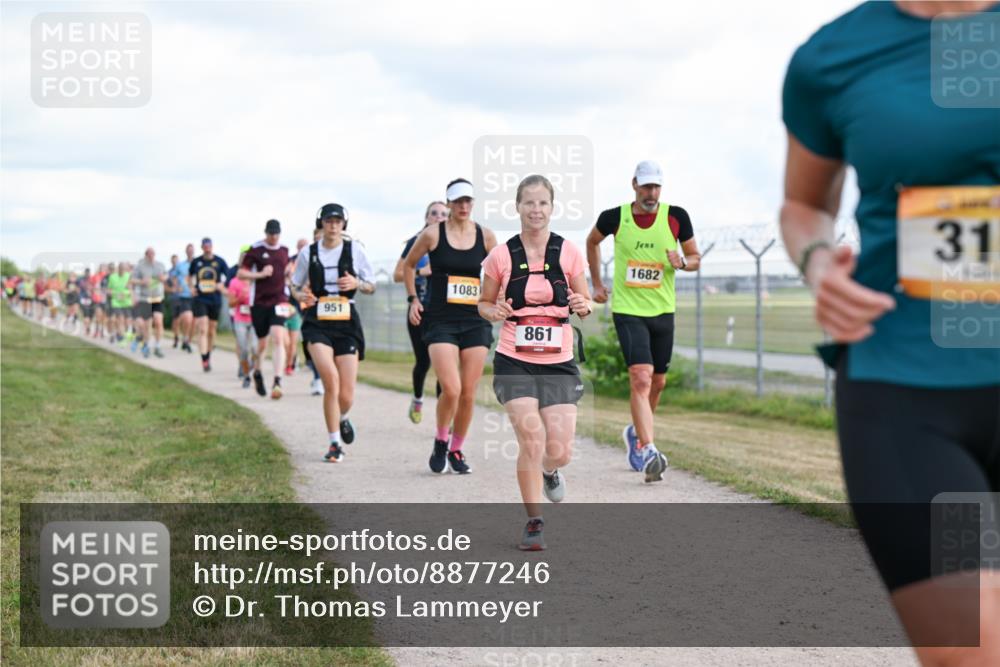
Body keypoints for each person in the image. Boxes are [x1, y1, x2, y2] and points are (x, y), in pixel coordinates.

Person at [781, 2, 999, 664]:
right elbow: (804, 205)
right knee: (975, 646)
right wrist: (819, 263)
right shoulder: (832, 58)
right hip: (905, 388)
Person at [479, 175, 592, 551]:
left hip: (559, 362)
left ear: (552, 207)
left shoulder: (569, 252)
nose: (536, 209)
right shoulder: (500, 256)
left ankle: (550, 469)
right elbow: (484, 303)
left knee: (560, 450)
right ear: (517, 207)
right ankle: (534, 521)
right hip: (514, 360)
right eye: (529, 202)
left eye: (543, 202)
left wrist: (583, 304)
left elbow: (586, 301)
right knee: (531, 439)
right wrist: (493, 311)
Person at [585, 160, 701, 482]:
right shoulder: (614, 217)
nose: (651, 193)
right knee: (640, 377)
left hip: (663, 311)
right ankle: (648, 448)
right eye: (646, 186)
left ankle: (635, 431)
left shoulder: (676, 217)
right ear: (634, 184)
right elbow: (592, 241)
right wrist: (597, 284)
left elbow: (695, 258)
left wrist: (682, 262)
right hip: (628, 310)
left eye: (656, 187)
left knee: (658, 382)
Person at [404, 178, 497, 474]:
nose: (463, 206)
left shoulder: (486, 236)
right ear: (449, 203)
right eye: (458, 201)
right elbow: (409, 265)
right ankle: (441, 440)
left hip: (475, 321)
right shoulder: (433, 234)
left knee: (468, 392)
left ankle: (456, 450)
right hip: (440, 320)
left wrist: (496, 302)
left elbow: (499, 272)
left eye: (468, 201)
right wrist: (413, 299)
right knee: (452, 389)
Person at [291, 203, 376, 461]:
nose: (333, 225)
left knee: (346, 394)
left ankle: (343, 417)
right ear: (321, 223)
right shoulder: (308, 252)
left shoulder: (355, 250)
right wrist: (301, 296)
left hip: (346, 322)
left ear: (344, 224)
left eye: (338, 221)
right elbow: (294, 286)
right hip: (317, 321)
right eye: (329, 221)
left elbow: (371, 285)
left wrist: (356, 282)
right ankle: (334, 443)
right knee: (331, 380)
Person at [394, 200, 448, 423]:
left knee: (443, 366)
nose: (438, 217)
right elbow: (397, 274)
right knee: (423, 361)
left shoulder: (454, 243)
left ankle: (444, 416)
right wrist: (421, 271)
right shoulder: (416, 242)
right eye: (434, 213)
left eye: (443, 214)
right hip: (419, 309)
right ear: (426, 217)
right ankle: (417, 398)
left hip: (443, 312)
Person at [239, 219, 292, 399]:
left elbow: (287, 270)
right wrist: (260, 274)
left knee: (278, 337)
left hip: (279, 300)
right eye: (271, 234)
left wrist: (288, 274)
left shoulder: (284, 250)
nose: (274, 237)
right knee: (262, 343)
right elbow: (241, 273)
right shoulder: (255, 250)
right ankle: (257, 371)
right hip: (259, 302)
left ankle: (277, 381)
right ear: (265, 233)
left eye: (276, 234)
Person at [188, 238, 230, 371]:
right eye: (205, 246)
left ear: (212, 247)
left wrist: (222, 285)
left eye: (209, 246)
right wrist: (191, 287)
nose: (207, 248)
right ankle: (204, 358)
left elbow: (229, 276)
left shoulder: (220, 261)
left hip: (215, 299)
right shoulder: (196, 262)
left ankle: (208, 355)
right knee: (202, 328)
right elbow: (189, 276)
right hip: (200, 299)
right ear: (202, 247)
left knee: (211, 330)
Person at [227, 245, 258, 389]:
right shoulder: (235, 281)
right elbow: (230, 303)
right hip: (240, 319)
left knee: (255, 349)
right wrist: (240, 298)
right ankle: (246, 375)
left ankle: (250, 369)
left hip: (255, 319)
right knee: (243, 349)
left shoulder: (258, 280)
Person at [130, 247, 168, 358]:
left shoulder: (160, 265)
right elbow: (132, 280)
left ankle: (157, 346)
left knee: (159, 321)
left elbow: (166, 276)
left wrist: (163, 278)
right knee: (147, 325)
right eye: (149, 254)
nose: (151, 256)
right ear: (146, 255)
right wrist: (142, 281)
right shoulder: (140, 266)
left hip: (158, 298)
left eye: (153, 254)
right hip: (145, 298)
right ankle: (146, 345)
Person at [284, 238, 309, 377]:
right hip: (288, 304)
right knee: (287, 339)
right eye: (300, 246)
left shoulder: (313, 259)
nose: (302, 248)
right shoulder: (290, 261)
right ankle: (291, 360)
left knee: (302, 336)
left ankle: (300, 361)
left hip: (304, 305)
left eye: (305, 246)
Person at [169, 243, 195, 352]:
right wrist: (176, 286)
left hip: (196, 296)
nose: (190, 252)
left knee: (193, 321)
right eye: (188, 250)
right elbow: (173, 277)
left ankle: (187, 340)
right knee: (186, 318)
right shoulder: (180, 265)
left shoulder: (198, 263)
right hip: (184, 296)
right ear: (186, 251)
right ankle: (181, 339)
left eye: (192, 250)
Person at [107, 262, 132, 343]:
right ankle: (121, 336)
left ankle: (119, 333)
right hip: (116, 302)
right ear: (118, 269)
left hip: (126, 302)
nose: (122, 271)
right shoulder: (112, 277)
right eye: (120, 269)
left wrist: (125, 294)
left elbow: (132, 290)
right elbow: (108, 290)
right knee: (120, 318)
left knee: (127, 321)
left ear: (125, 269)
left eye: (123, 269)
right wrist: (115, 294)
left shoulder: (129, 276)